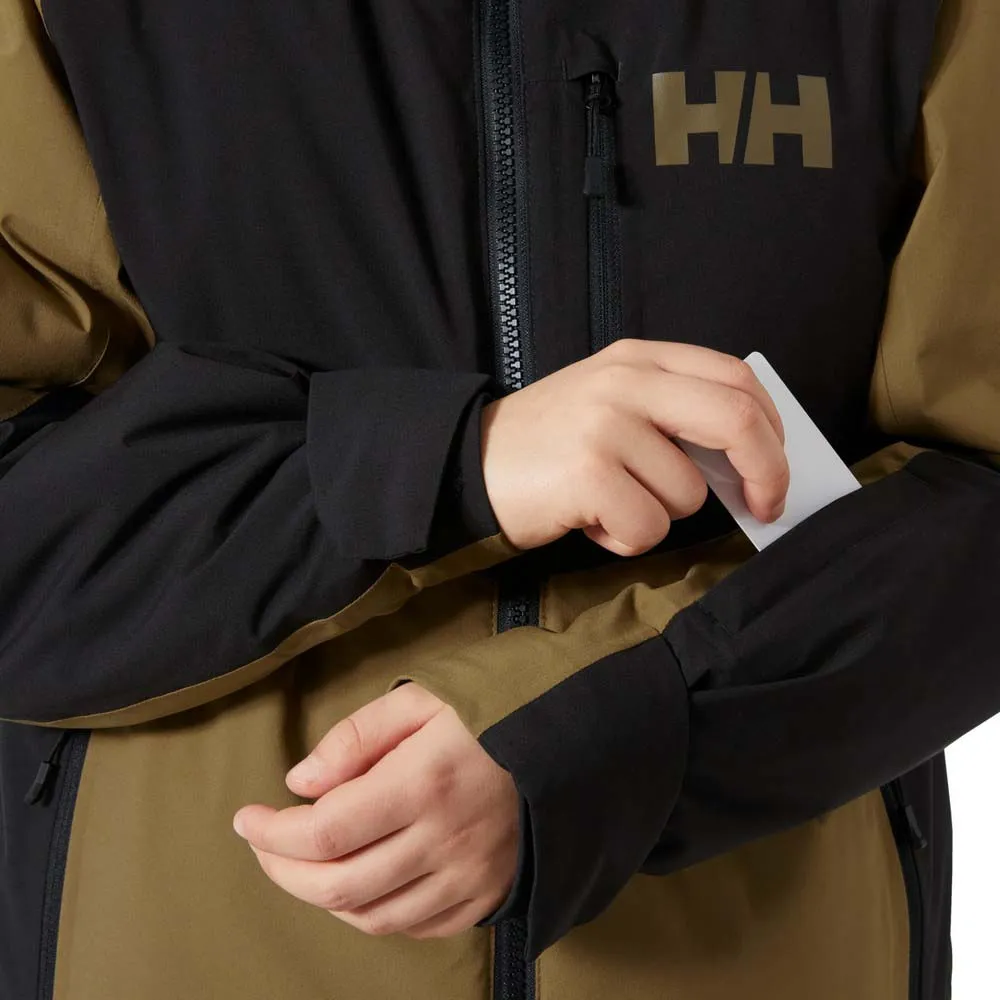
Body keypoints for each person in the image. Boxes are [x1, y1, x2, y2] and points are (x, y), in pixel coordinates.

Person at [0, 0, 996, 997]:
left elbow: (979, 476)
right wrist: (453, 461)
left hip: (766, 946)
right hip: (187, 940)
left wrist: (612, 733)